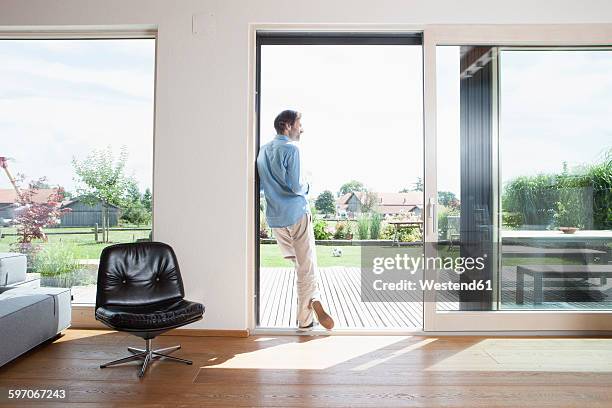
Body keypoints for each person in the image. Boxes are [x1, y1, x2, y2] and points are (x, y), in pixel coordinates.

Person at [257, 110, 334, 331]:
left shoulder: (262, 151)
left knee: (300, 266)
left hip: (275, 218)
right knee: (306, 268)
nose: (302, 129)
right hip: (296, 214)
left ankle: (313, 298)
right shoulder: (291, 149)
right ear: (287, 125)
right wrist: (309, 185)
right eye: (299, 124)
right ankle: (305, 319)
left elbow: (261, 186)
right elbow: (296, 186)